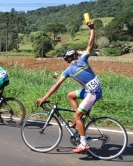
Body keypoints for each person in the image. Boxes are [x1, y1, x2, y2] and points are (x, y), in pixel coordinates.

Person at [36, 20, 102, 153]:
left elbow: (56, 85)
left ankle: (83, 143)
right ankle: (80, 116)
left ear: (67, 59)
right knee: (70, 95)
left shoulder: (68, 71)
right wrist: (92, 29)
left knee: (76, 117)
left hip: (92, 93)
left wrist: (44, 97)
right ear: (75, 56)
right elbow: (90, 44)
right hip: (93, 89)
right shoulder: (82, 60)